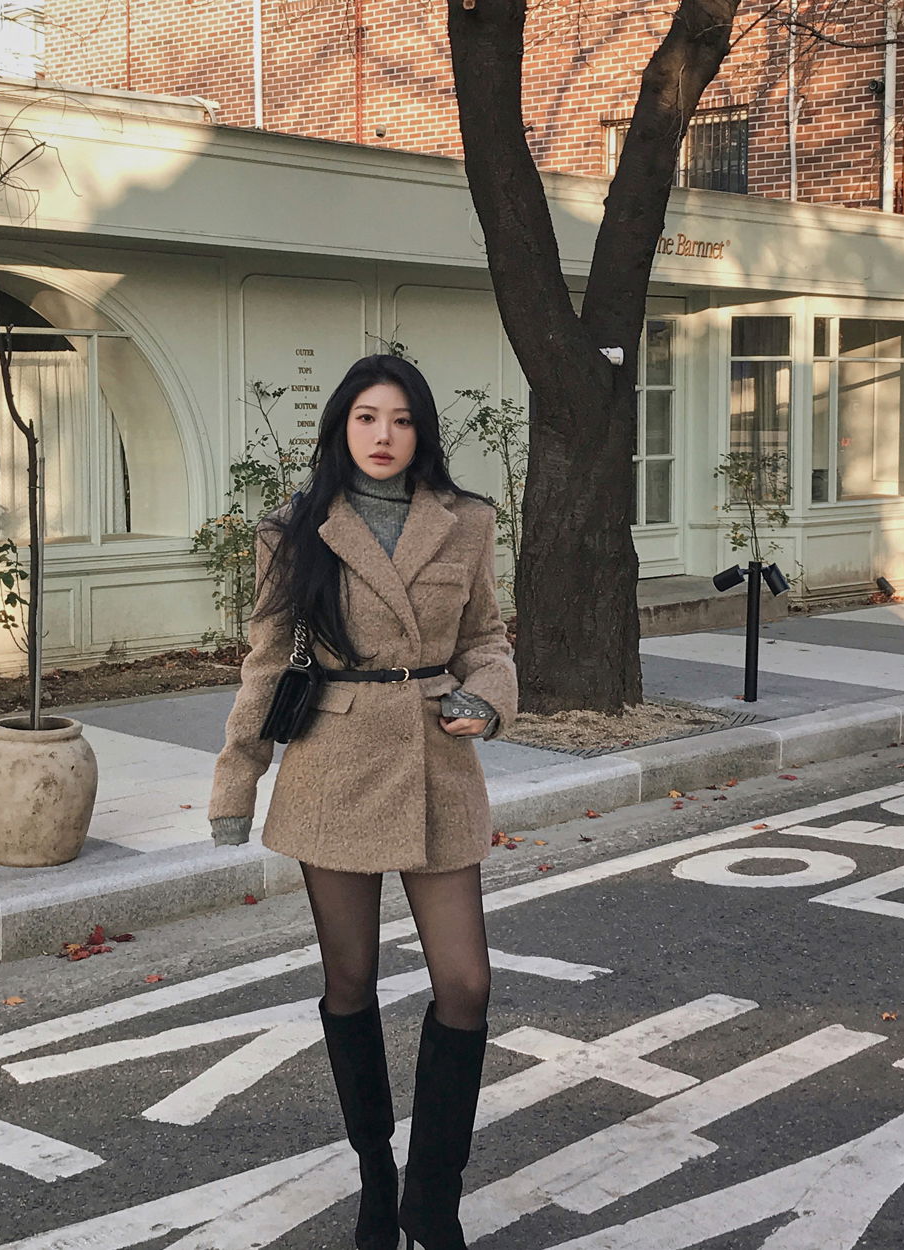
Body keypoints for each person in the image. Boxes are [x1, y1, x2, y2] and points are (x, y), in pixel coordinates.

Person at [208, 354, 518, 1250]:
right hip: (333, 764)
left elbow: (486, 636)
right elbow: (268, 661)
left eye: (402, 420)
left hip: (435, 759)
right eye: (368, 418)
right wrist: (238, 778)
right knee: (350, 981)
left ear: (423, 431)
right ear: (342, 427)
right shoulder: (294, 529)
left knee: (466, 984)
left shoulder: (466, 521)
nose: (385, 436)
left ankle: (433, 1200)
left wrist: (488, 697)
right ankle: (377, 1179)